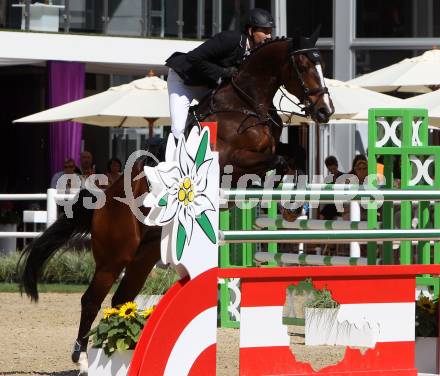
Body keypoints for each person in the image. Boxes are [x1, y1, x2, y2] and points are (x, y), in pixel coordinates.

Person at [165, 8, 275, 138]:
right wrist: (223, 72)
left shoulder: (254, 53)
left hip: (206, 84)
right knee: (178, 129)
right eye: (265, 31)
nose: (269, 36)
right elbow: (194, 57)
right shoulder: (230, 39)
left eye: (270, 32)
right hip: (184, 80)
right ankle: (170, 153)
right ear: (251, 30)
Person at [319, 156, 344, 220]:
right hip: (332, 202)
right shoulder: (328, 179)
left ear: (337, 166)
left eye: (334, 169)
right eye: (330, 170)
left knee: (325, 212)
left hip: (341, 202)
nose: (333, 171)